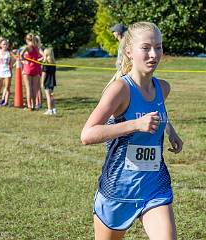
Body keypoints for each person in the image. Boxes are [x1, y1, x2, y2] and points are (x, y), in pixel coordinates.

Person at [81, 22, 183, 240]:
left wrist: (170, 130)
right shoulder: (120, 89)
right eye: (145, 48)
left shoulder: (162, 88)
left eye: (158, 47)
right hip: (118, 190)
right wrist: (135, 125)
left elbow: (155, 109)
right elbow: (87, 134)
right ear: (129, 51)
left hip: (154, 186)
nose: (154, 54)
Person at [20, 33, 41, 111]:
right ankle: (34, 105)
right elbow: (42, 56)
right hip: (35, 68)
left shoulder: (27, 47)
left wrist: (24, 60)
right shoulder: (36, 48)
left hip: (28, 68)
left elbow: (21, 54)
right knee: (34, 88)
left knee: (28, 88)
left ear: (27, 40)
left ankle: (29, 106)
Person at [41, 48, 57, 115]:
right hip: (52, 81)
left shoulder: (45, 63)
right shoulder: (53, 63)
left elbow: (44, 74)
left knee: (48, 96)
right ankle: (53, 109)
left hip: (47, 81)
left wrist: (42, 82)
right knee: (51, 96)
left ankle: (49, 110)